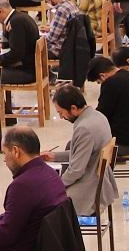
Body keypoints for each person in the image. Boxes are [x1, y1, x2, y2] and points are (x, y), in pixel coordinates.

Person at [47, 83, 118, 219]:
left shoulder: (84, 128)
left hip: (89, 188)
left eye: (61, 112)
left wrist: (56, 186)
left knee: (45, 203)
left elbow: (76, 170)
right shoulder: (98, 116)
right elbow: (84, 154)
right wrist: (54, 156)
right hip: (99, 179)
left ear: (73, 108)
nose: (61, 117)